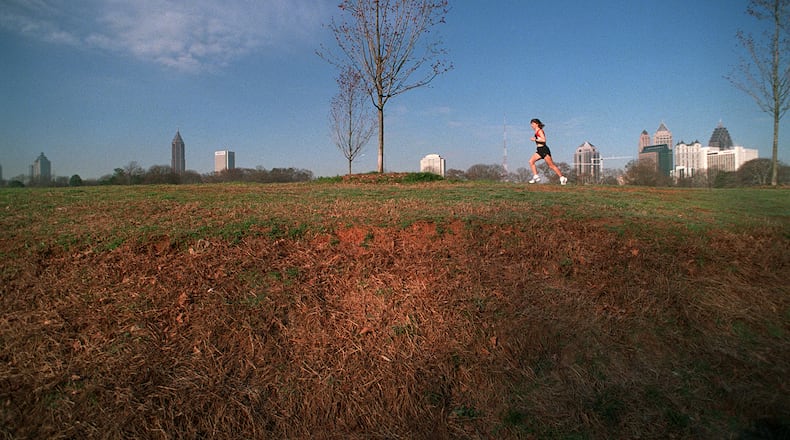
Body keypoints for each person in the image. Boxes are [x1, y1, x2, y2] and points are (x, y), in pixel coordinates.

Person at [528, 118, 567, 185]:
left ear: (537, 124)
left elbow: (544, 140)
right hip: (539, 150)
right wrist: (536, 139)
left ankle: (562, 178)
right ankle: (536, 176)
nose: (531, 125)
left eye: (533, 124)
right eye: (531, 124)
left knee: (551, 166)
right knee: (531, 161)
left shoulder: (540, 131)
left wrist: (535, 139)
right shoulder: (536, 131)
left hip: (544, 150)